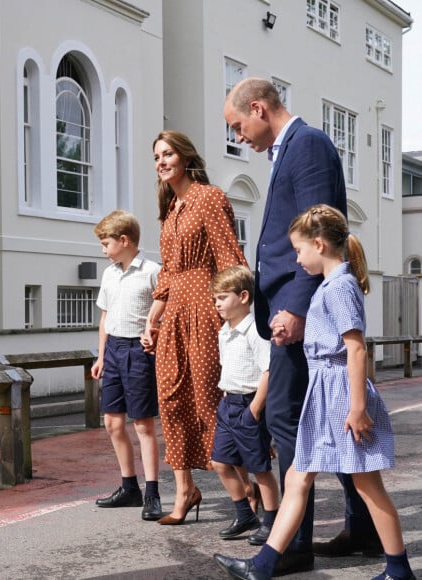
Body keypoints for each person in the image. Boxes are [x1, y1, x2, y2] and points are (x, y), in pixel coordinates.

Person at [222, 77, 380, 574]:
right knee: (328, 420)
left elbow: (322, 230)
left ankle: (294, 547)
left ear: (259, 108)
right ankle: (364, 530)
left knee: (289, 422)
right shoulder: (285, 150)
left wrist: (295, 304)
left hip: (299, 310)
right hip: (291, 306)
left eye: (238, 125)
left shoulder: (307, 143)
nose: (238, 136)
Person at [214, 204, 415, 580]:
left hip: (339, 393)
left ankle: (398, 569)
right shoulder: (332, 285)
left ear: (319, 245)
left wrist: (357, 408)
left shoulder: (339, 286)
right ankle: (264, 565)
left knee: (368, 484)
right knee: (298, 477)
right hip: (324, 390)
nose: (296, 258)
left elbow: (355, 348)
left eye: (299, 249)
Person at [141, 130, 247, 525]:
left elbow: (229, 257)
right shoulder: (170, 209)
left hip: (205, 306)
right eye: (156, 157)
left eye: (167, 154)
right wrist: (153, 317)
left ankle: (248, 488)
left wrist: (234, 315)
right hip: (174, 313)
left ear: (185, 157)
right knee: (170, 399)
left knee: (209, 399)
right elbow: (167, 272)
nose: (161, 162)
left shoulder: (209, 197)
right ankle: (185, 490)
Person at [91, 211, 163, 521]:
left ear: (124, 240)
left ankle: (153, 493)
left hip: (138, 351)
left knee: (143, 425)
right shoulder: (109, 274)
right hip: (114, 351)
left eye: (106, 243)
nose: (103, 249)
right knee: (112, 423)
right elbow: (105, 318)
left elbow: (164, 313)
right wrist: (100, 355)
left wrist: (153, 335)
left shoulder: (152, 271)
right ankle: (129, 487)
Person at [209, 266, 279, 545]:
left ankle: (272, 521)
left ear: (243, 296)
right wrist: (226, 400)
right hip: (229, 403)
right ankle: (244, 514)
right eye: (215, 298)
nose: (217, 304)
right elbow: (228, 367)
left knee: (259, 467)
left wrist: (255, 409)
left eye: (222, 297)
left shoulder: (255, 330)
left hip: (250, 404)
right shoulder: (225, 331)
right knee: (220, 462)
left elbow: (268, 371)